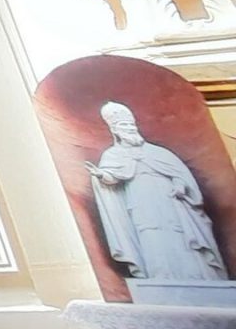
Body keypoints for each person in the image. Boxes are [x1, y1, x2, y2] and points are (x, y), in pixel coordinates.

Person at [90, 101, 228, 283]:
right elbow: (112, 177)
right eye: (124, 126)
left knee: (179, 235)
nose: (130, 129)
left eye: (131, 125)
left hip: (170, 202)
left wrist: (179, 185)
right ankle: (162, 276)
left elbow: (179, 174)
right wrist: (101, 175)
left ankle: (194, 275)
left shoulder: (158, 153)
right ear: (115, 130)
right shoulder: (112, 155)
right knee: (152, 236)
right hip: (140, 202)